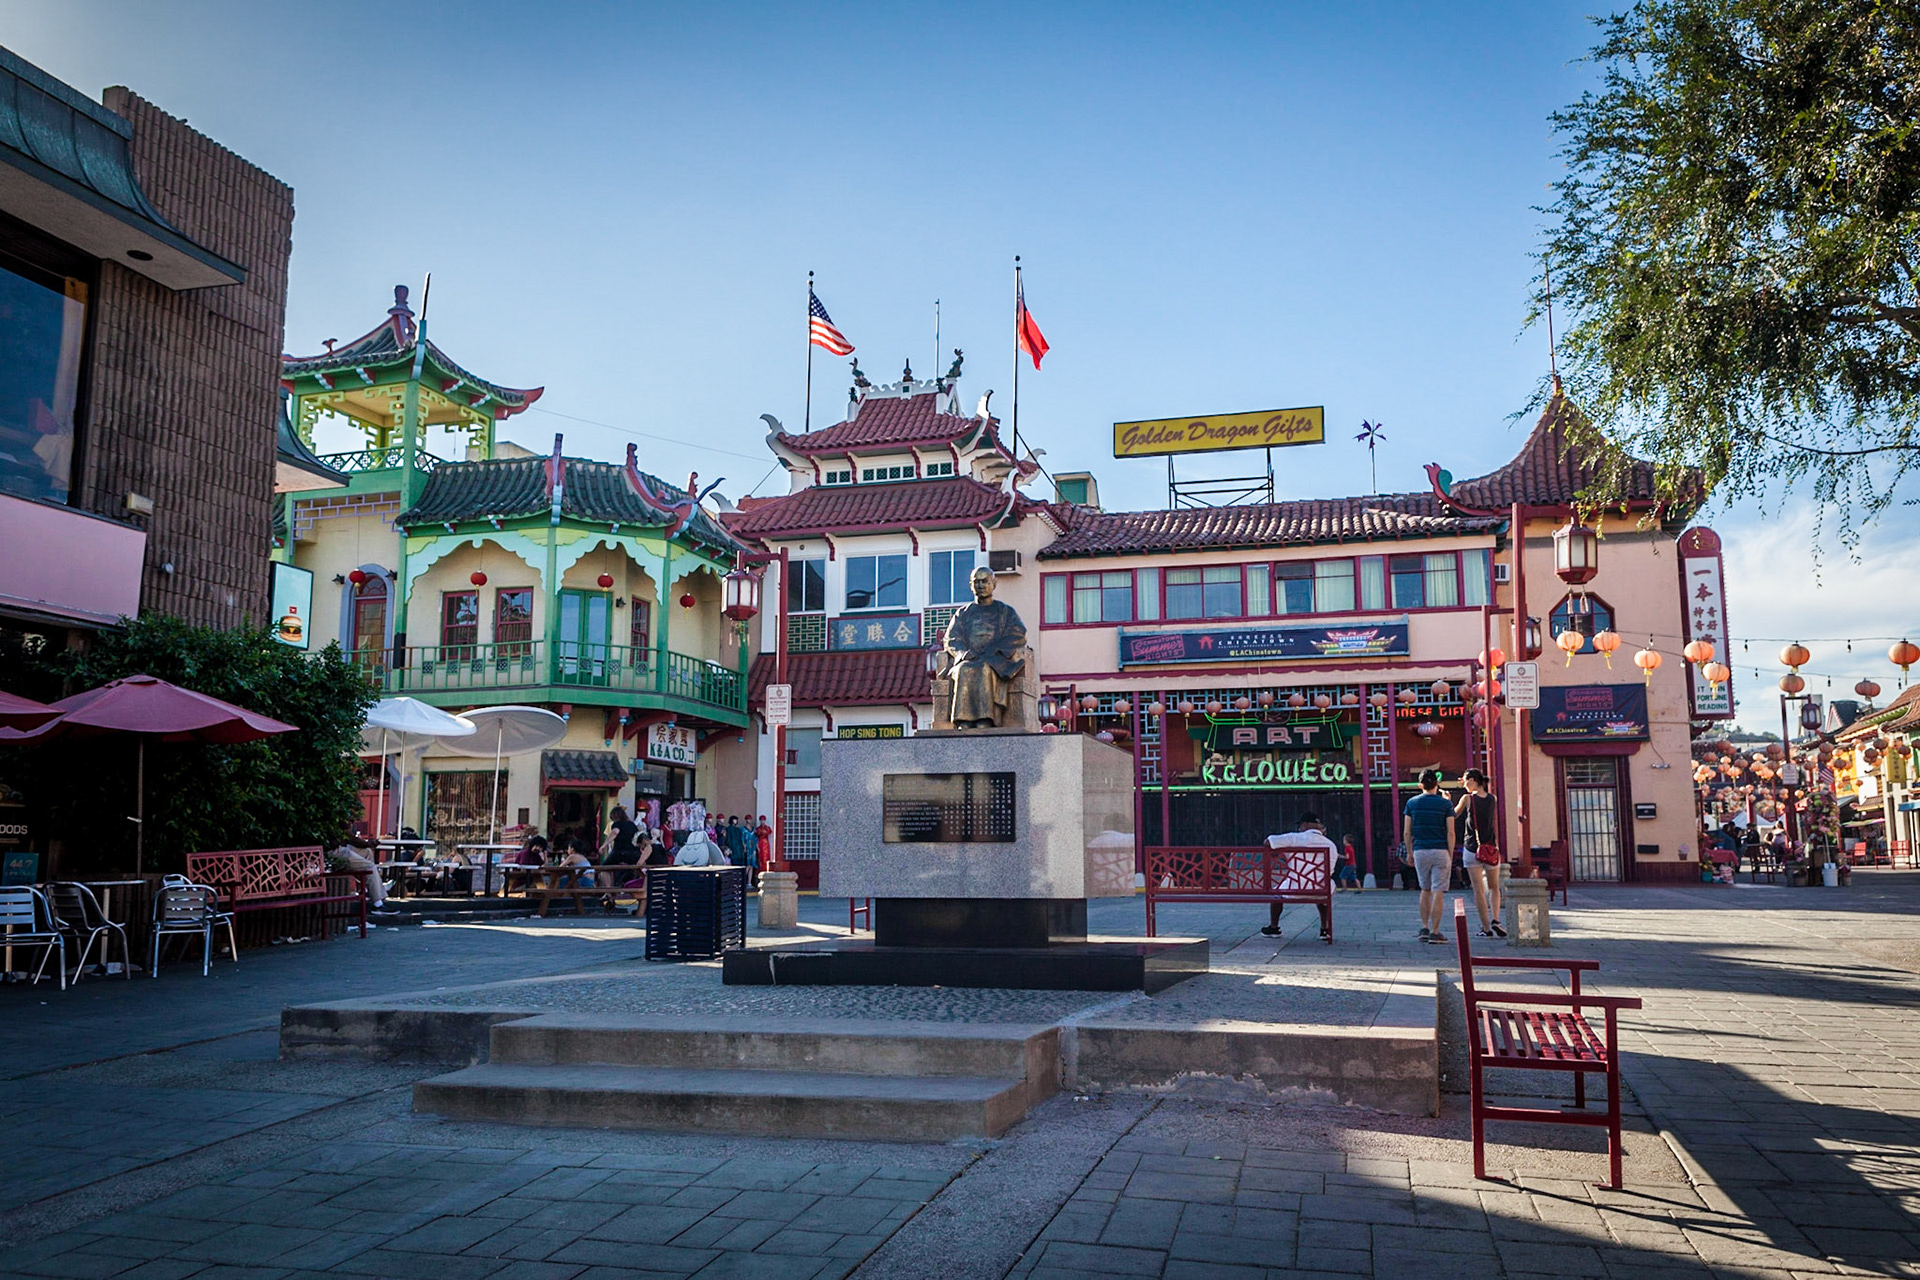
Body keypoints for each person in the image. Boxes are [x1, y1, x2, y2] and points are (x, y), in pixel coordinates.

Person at [1260, 813, 1340, 940]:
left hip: (1294, 888)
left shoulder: (1294, 838)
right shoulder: (1331, 845)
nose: (1299, 829)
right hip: (1321, 891)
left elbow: (1267, 842)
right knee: (1325, 885)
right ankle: (1324, 929)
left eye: (1300, 826)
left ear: (1305, 825)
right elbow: (1331, 870)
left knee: (1276, 892)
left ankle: (1274, 928)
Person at [1403, 769, 1456, 944]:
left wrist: (1410, 852)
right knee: (1438, 891)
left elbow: (1406, 831)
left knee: (1424, 890)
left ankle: (1424, 927)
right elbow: (1451, 832)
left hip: (1420, 850)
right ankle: (1435, 931)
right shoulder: (1446, 805)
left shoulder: (1411, 803)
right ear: (1437, 784)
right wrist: (1450, 852)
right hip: (1440, 849)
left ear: (1420, 785)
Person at [1454, 768, 1506, 938]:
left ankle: (1486, 928)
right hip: (1491, 848)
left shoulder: (1468, 799)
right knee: (1494, 887)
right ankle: (1496, 919)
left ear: (1473, 780)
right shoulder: (1493, 799)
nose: (1464, 784)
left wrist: (1447, 800)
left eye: (1466, 780)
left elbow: (1453, 814)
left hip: (1472, 848)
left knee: (1478, 890)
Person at [332, 834, 389, 908]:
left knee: (367, 851)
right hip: (335, 850)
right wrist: (368, 843)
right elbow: (349, 837)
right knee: (370, 867)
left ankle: (367, 890)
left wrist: (367, 844)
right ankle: (378, 904)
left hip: (343, 847)